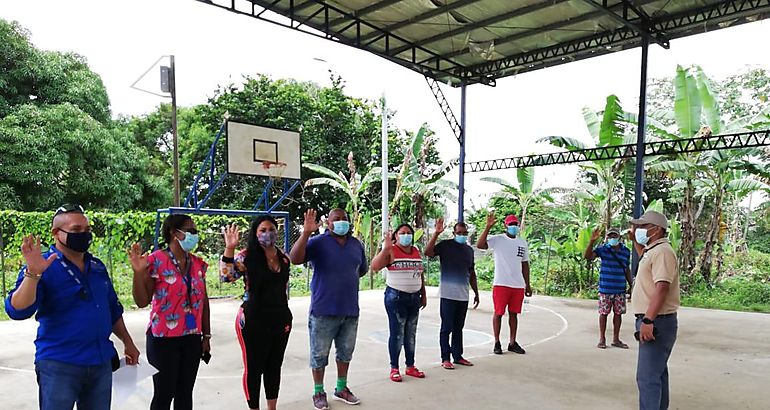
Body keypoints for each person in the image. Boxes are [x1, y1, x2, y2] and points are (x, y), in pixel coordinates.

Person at [4, 203, 140, 410]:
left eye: (87, 230)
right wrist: (33, 274)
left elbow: (112, 309)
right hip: (60, 364)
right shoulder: (43, 266)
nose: (84, 235)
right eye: (76, 230)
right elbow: (17, 310)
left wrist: (128, 342)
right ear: (56, 233)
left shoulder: (97, 267)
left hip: (100, 361)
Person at [129, 214, 211, 410]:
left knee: (185, 393)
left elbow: (204, 302)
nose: (195, 235)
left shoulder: (197, 264)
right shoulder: (155, 260)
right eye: (191, 231)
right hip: (163, 339)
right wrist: (138, 274)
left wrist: (206, 335)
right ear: (175, 233)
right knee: (164, 393)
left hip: (191, 337)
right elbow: (141, 301)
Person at [289, 209, 368, 410]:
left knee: (345, 353)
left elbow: (361, 271)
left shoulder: (356, 244)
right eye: (336, 219)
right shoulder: (317, 242)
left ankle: (341, 388)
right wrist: (306, 233)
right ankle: (318, 391)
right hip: (323, 310)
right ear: (328, 223)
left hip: (350, 311)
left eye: (344, 219)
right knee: (319, 355)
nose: (341, 222)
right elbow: (295, 258)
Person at [220, 216, 293, 410]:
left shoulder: (284, 258)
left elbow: (282, 289)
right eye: (262, 230)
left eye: (271, 229)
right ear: (255, 233)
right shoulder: (247, 256)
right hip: (253, 319)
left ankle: (272, 407)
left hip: (279, 319)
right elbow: (226, 277)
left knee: (274, 366)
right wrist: (230, 249)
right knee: (254, 368)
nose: (267, 233)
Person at [630, 211, 680, 410]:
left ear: (656, 229)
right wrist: (635, 239)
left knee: (647, 378)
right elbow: (643, 255)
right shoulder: (653, 250)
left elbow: (662, 287)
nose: (639, 229)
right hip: (655, 319)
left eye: (643, 226)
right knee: (657, 373)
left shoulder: (663, 252)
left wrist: (648, 321)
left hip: (657, 320)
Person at [370, 223, 427, 382]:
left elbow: (419, 272)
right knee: (397, 333)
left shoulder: (415, 251)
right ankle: (394, 368)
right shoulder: (391, 251)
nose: (406, 235)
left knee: (411, 333)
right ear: (395, 236)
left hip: (414, 297)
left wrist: (423, 292)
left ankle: (410, 366)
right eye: (402, 233)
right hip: (396, 297)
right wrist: (385, 249)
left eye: (409, 232)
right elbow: (374, 266)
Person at [425, 218, 480, 370]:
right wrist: (436, 233)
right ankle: (445, 357)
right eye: (459, 233)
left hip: (463, 296)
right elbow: (428, 252)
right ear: (453, 233)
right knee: (446, 327)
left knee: (458, 327)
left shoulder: (469, 250)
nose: (462, 235)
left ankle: (458, 356)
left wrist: (476, 292)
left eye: (464, 233)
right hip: (448, 295)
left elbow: (471, 272)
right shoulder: (446, 246)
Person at [476, 212, 532, 355]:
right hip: (501, 283)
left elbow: (525, 265)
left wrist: (527, 284)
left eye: (515, 224)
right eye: (511, 224)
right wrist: (488, 227)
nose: (513, 226)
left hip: (518, 285)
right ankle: (497, 342)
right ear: (505, 226)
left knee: (514, 314)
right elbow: (480, 245)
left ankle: (512, 342)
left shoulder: (522, 243)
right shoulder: (498, 239)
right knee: (499, 313)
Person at [584, 227, 633, 349]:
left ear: (619, 238)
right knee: (603, 314)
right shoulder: (603, 250)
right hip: (605, 289)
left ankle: (616, 339)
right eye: (610, 236)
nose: (612, 239)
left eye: (614, 236)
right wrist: (591, 241)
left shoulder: (626, 251)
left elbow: (626, 269)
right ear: (607, 238)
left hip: (620, 289)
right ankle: (602, 338)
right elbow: (588, 256)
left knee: (618, 314)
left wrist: (632, 285)